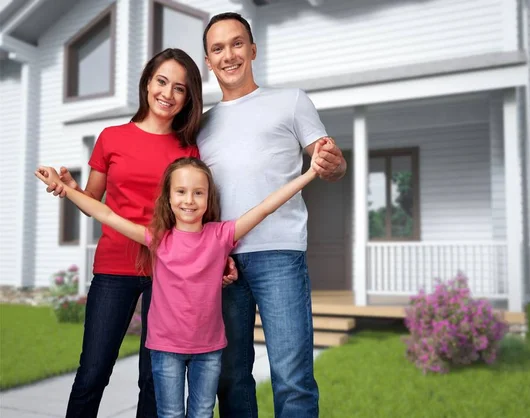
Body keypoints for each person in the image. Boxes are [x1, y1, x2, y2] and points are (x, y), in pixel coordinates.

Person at [35, 139, 328, 416]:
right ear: (169, 198)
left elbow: (266, 206)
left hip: (209, 351)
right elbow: (107, 215)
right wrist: (64, 188)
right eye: (181, 192)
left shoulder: (221, 235)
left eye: (198, 192)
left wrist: (311, 172)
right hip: (165, 350)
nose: (189, 200)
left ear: (208, 197)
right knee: (170, 414)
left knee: (201, 413)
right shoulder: (157, 239)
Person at [43, 48, 236, 417]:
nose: (167, 93)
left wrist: (222, 254)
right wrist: (68, 188)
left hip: (169, 275)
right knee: (93, 372)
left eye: (179, 88)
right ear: (147, 82)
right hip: (115, 268)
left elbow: (200, 213)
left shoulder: (188, 148)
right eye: (161, 81)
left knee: (154, 380)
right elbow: (92, 201)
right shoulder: (112, 138)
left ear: (188, 98)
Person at [198, 12, 347, 418]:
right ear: (208, 61)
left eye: (236, 43)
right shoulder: (202, 124)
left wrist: (332, 163)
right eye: (217, 48)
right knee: (229, 378)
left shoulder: (292, 100)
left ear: (252, 49)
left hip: (280, 254)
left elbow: (329, 162)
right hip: (222, 261)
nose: (228, 54)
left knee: (292, 376)